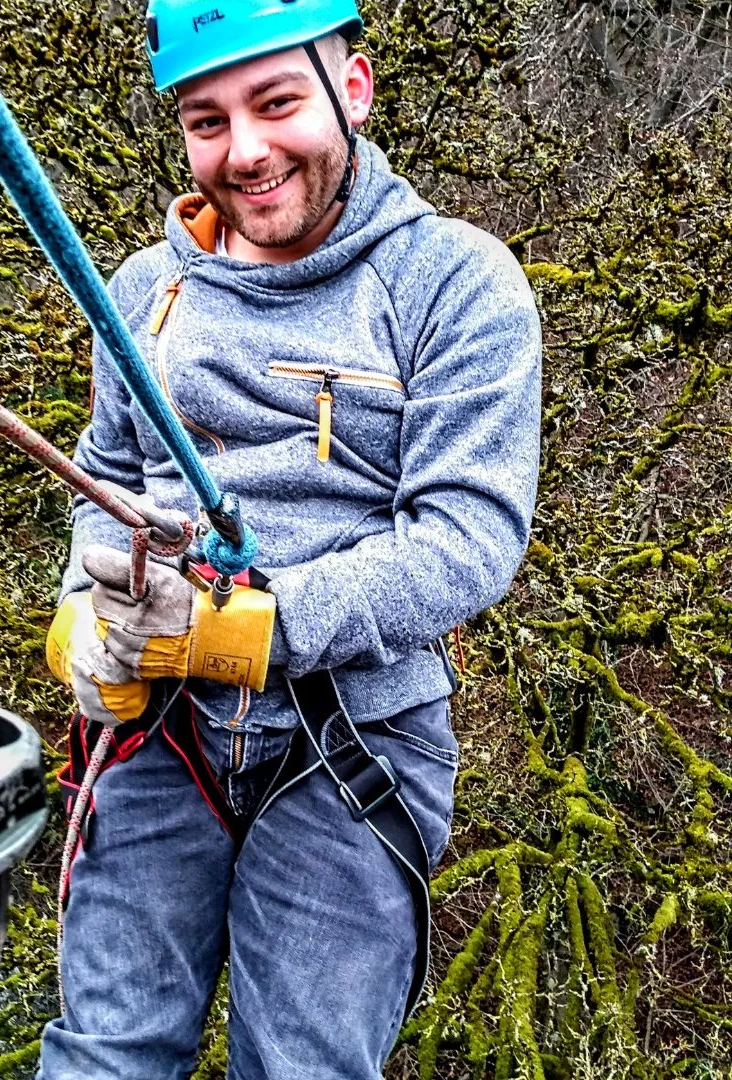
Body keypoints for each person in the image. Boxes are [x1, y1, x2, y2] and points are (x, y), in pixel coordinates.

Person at [38, 0, 542, 1075]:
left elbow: (466, 539)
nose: (246, 151)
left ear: (350, 91)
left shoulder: (452, 283)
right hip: (159, 733)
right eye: (207, 119)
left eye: (276, 103)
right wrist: (83, 617)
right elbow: (106, 480)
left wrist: (249, 627)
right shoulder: (143, 292)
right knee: (102, 1058)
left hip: (352, 739)